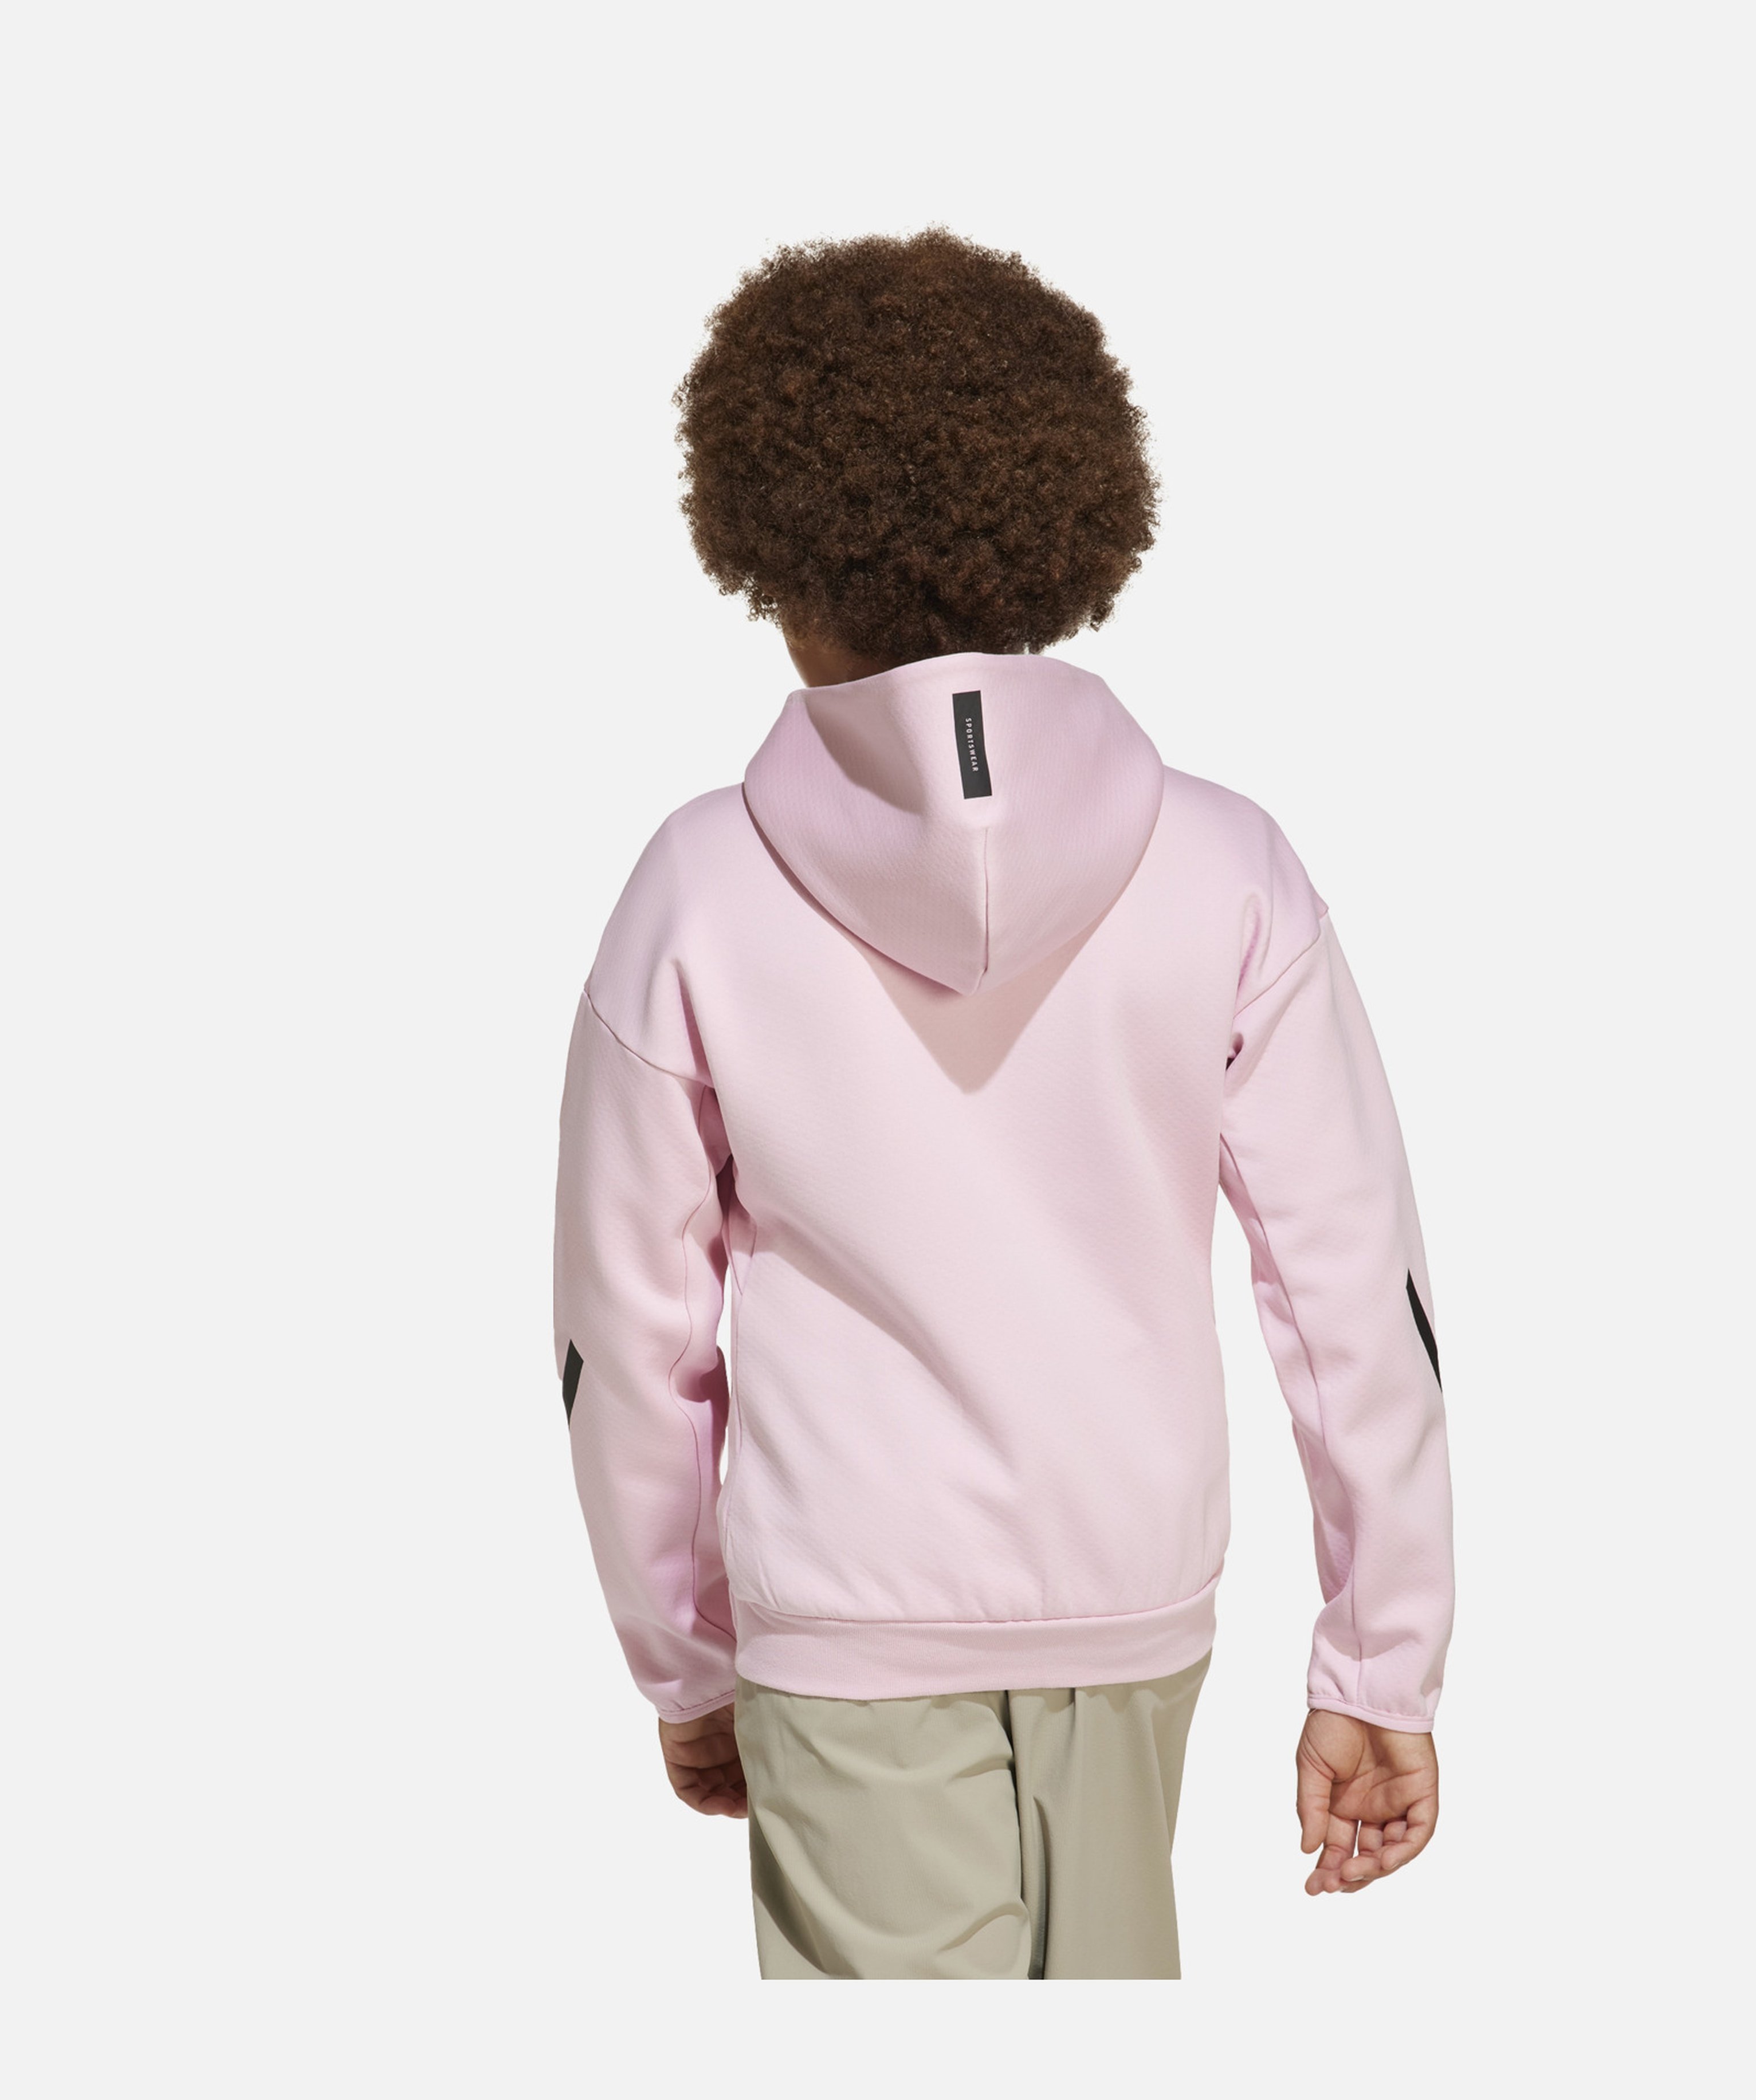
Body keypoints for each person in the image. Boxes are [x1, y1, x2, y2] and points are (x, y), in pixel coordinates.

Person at [552, 230, 1454, 1979]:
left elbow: (624, 1337)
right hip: (1136, 1603)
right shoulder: (1229, 870)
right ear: (1059, 526)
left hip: (841, 1622)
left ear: (770, 547)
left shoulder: (697, 893)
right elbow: (1357, 1294)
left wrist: (689, 1658)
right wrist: (1382, 1660)